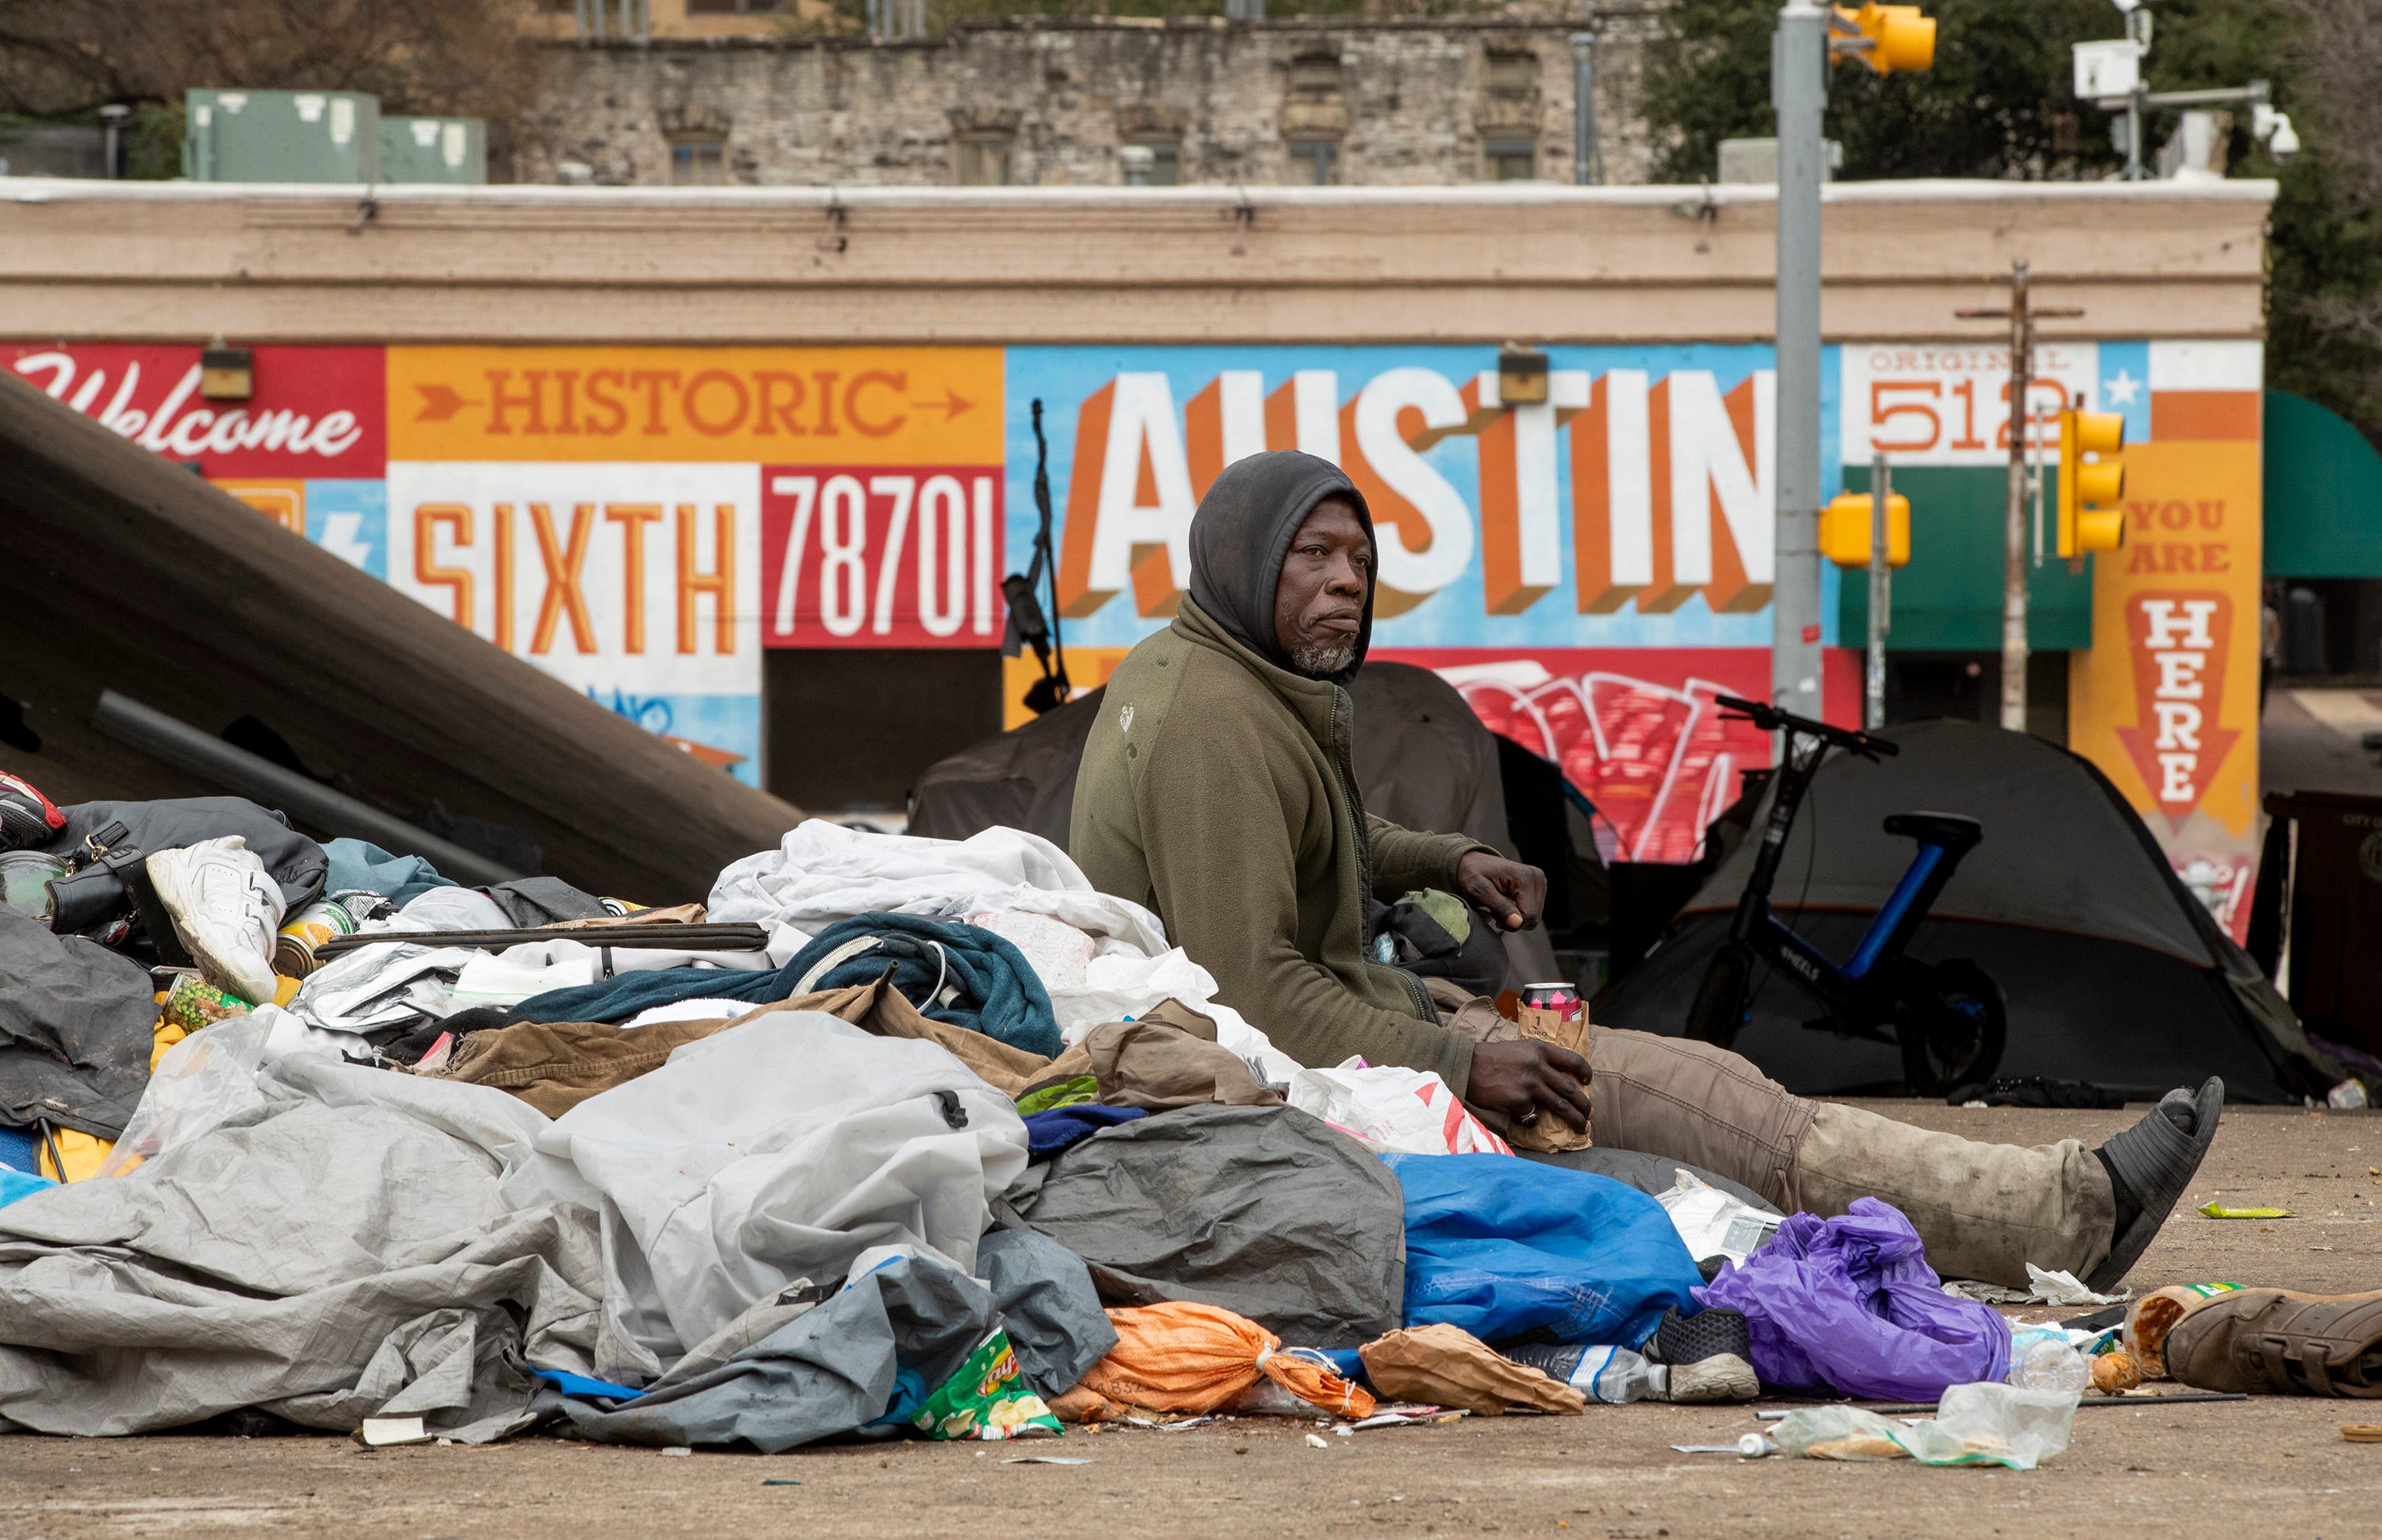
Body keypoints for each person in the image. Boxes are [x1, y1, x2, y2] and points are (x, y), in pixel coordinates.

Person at [1071, 451, 2218, 1290]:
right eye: (1312, 555)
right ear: (1241, 557)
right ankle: (2062, 1213)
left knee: (1710, 1105)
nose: (1346, 583)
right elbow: (1256, 993)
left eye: (1360, 559)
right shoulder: (1215, 722)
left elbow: (1324, 835)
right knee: (1710, 1115)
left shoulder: (1233, 680)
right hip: (1312, 1070)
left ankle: (2045, 1218)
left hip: (1371, 1027)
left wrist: (1449, 857)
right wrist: (1465, 1064)